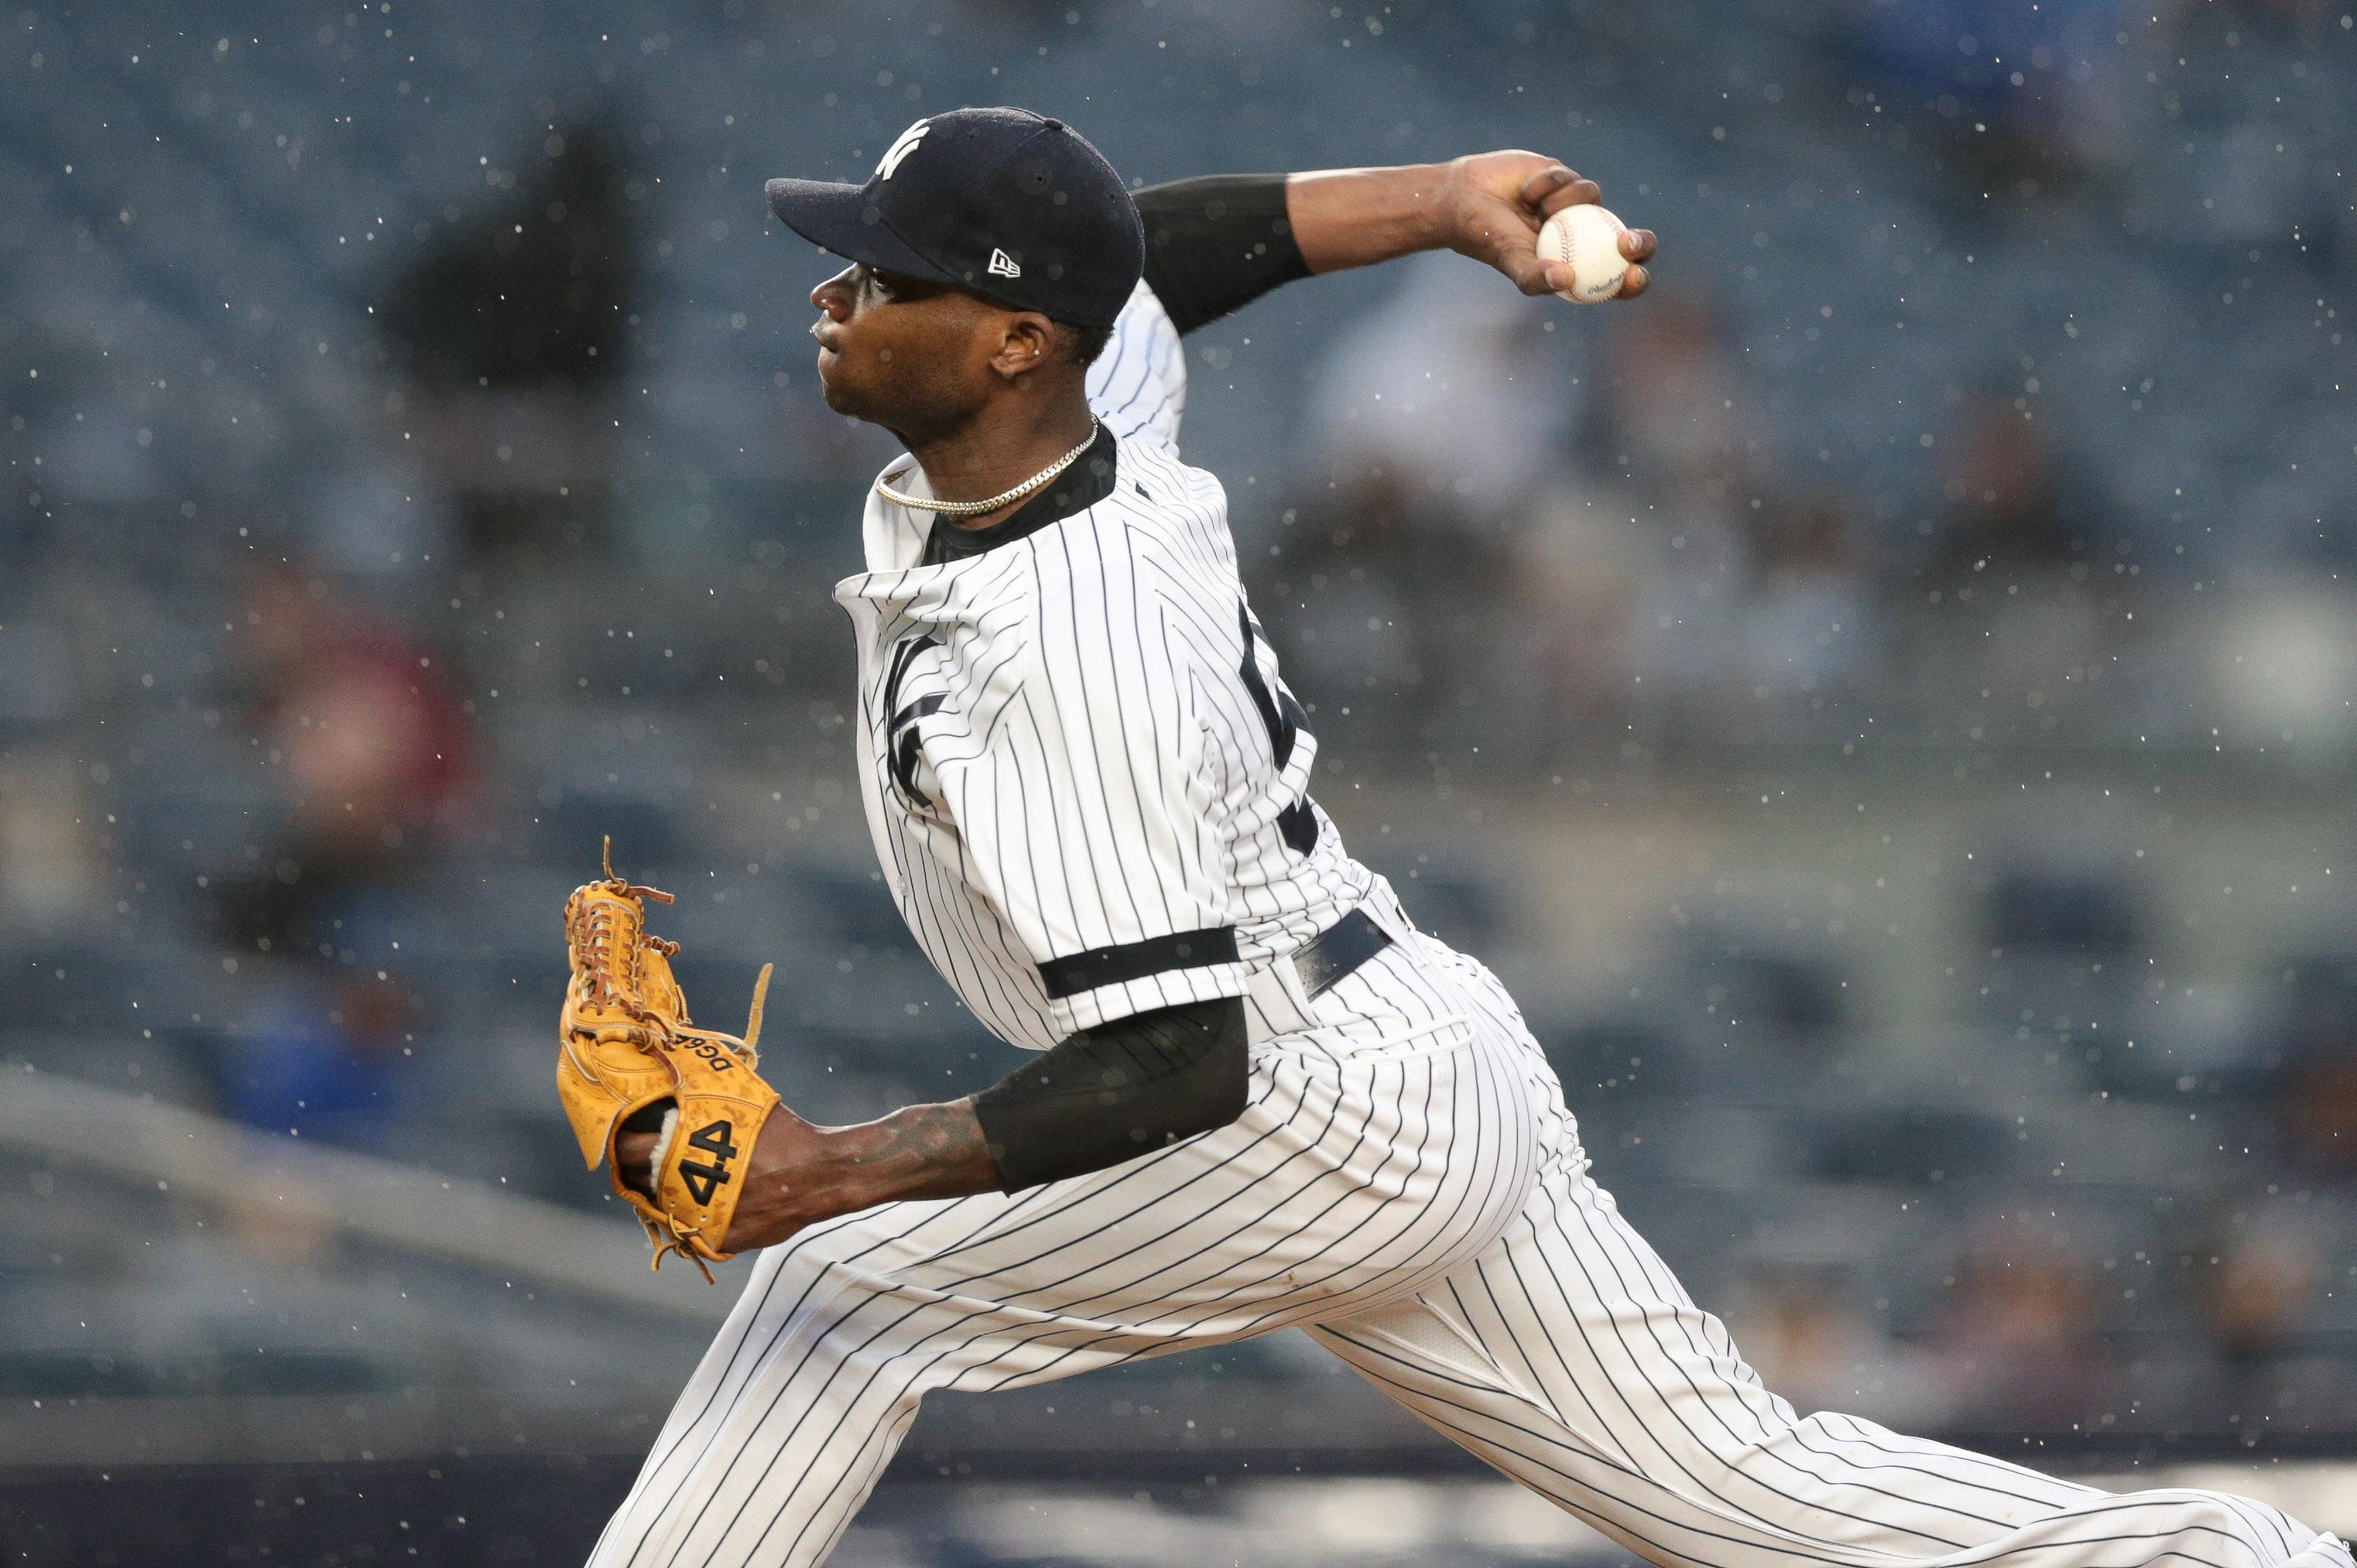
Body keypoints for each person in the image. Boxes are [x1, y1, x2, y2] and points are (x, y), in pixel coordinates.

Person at [588, 109, 2348, 1568]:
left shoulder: (1065, 650)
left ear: (1005, 341)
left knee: (837, 1295)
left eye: (882, 276)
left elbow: (1173, 1068)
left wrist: (835, 1169)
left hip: (1296, 1104)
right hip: (1405, 1042)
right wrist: (1430, 203)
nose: (832, 294)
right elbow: (1156, 260)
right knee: (1746, 1500)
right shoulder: (1074, 413)